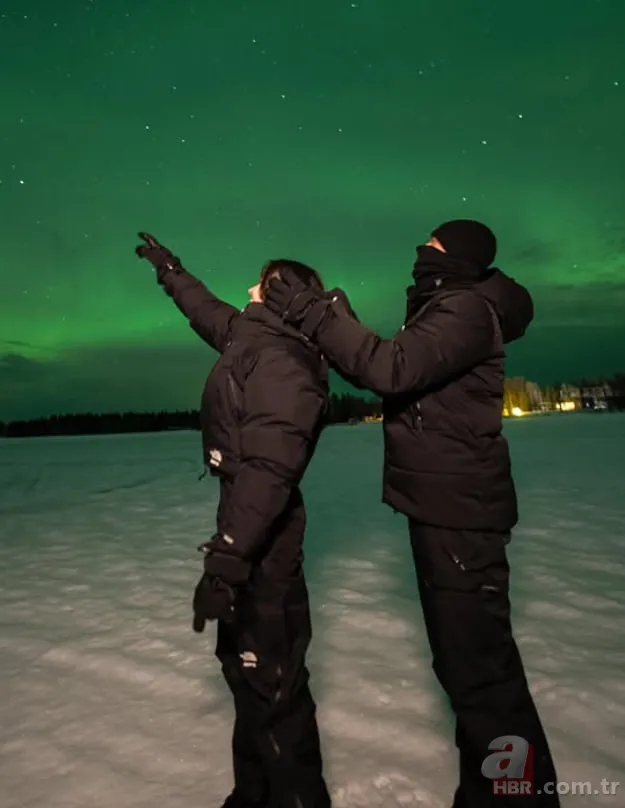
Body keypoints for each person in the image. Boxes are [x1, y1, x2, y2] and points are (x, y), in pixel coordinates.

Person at [262, 219, 560, 807]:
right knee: (466, 670)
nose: (422, 249)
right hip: (444, 507)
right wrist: (327, 313)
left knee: (484, 679)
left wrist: (315, 313)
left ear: (458, 255)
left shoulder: (466, 311)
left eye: (434, 243)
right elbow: (383, 368)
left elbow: (389, 368)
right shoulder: (446, 307)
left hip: (460, 515)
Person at [135, 233, 333, 808]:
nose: (247, 287)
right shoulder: (254, 339)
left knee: (274, 689)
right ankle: (253, 796)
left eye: (260, 279)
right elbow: (206, 309)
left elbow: (270, 469)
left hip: (261, 532)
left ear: (280, 292)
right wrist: (171, 269)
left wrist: (227, 560)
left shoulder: (284, 361)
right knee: (247, 678)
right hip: (243, 518)